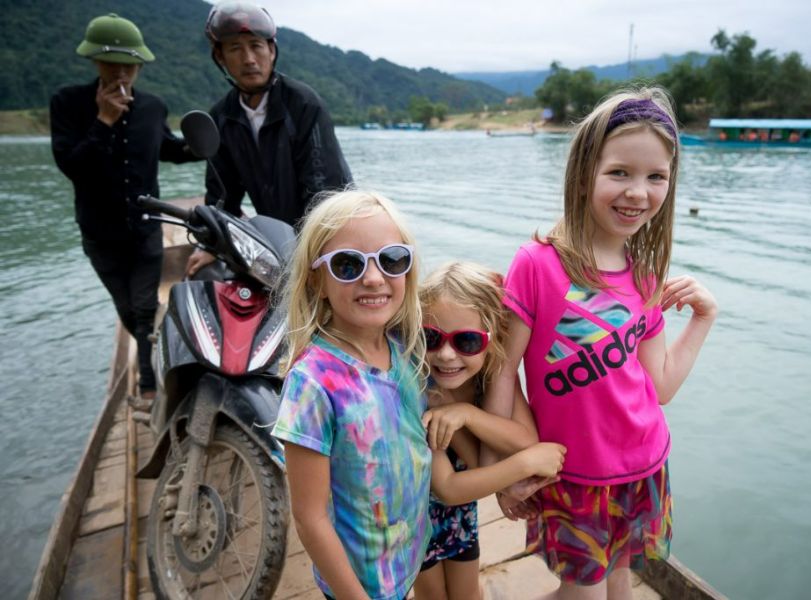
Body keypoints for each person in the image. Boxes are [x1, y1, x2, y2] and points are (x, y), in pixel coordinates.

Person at [271, 190, 565, 600]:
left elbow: (429, 447)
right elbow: (309, 517)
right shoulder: (314, 381)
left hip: (407, 556)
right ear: (317, 279)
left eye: (391, 259)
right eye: (347, 264)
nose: (372, 277)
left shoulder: (404, 353)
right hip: (358, 583)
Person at [483, 87, 718, 599]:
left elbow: (659, 388)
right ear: (584, 171)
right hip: (573, 474)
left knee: (620, 580)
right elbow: (502, 371)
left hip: (644, 465)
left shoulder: (646, 275)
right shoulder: (539, 264)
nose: (638, 192)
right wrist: (498, 470)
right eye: (620, 173)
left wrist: (703, 319)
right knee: (582, 591)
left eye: (656, 177)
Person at [50, 13, 198, 400]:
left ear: (139, 65)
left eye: (129, 65)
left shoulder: (153, 106)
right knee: (128, 309)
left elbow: (169, 148)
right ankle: (152, 364)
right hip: (100, 233)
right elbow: (72, 167)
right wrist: (103, 120)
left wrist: (204, 145)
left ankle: (149, 383)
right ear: (95, 62)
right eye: (111, 63)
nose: (121, 73)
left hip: (146, 227)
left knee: (146, 306)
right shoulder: (68, 103)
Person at [414, 262, 551, 600]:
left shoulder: (492, 376)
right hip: (414, 519)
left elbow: (524, 439)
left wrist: (468, 414)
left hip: (461, 516)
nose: (447, 355)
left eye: (468, 341)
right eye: (431, 338)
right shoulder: (419, 387)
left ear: (492, 339)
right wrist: (519, 471)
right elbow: (451, 487)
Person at [186, 1, 352, 276]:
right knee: (206, 279)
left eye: (256, 46)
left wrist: (314, 251)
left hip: (329, 232)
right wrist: (208, 245)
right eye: (235, 48)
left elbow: (325, 191)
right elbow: (222, 195)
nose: (249, 58)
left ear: (272, 51)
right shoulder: (222, 116)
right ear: (220, 57)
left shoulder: (304, 105)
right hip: (275, 241)